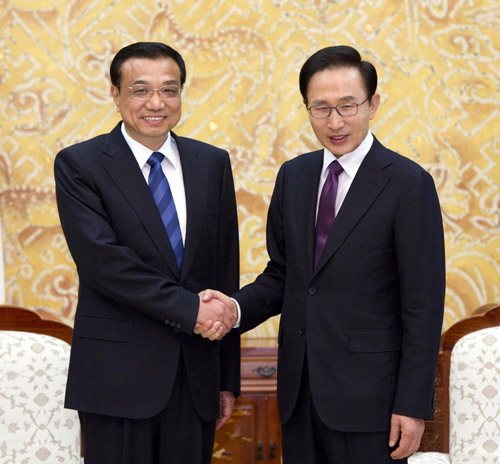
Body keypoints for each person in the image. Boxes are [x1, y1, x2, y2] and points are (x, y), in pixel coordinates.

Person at [198, 45, 445, 463]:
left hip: (373, 404)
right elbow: (283, 277)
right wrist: (234, 309)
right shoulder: (293, 176)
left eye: (348, 106)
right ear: (307, 109)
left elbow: (423, 306)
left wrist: (412, 404)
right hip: (300, 394)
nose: (335, 122)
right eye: (321, 108)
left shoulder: (408, 183)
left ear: (373, 104)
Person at [54, 42, 240, 464]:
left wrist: (226, 378)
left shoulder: (211, 163)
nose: (156, 103)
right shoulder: (80, 164)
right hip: (115, 378)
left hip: (195, 378)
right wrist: (192, 309)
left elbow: (224, 269)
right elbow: (105, 264)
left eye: (170, 90)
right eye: (140, 90)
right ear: (115, 95)